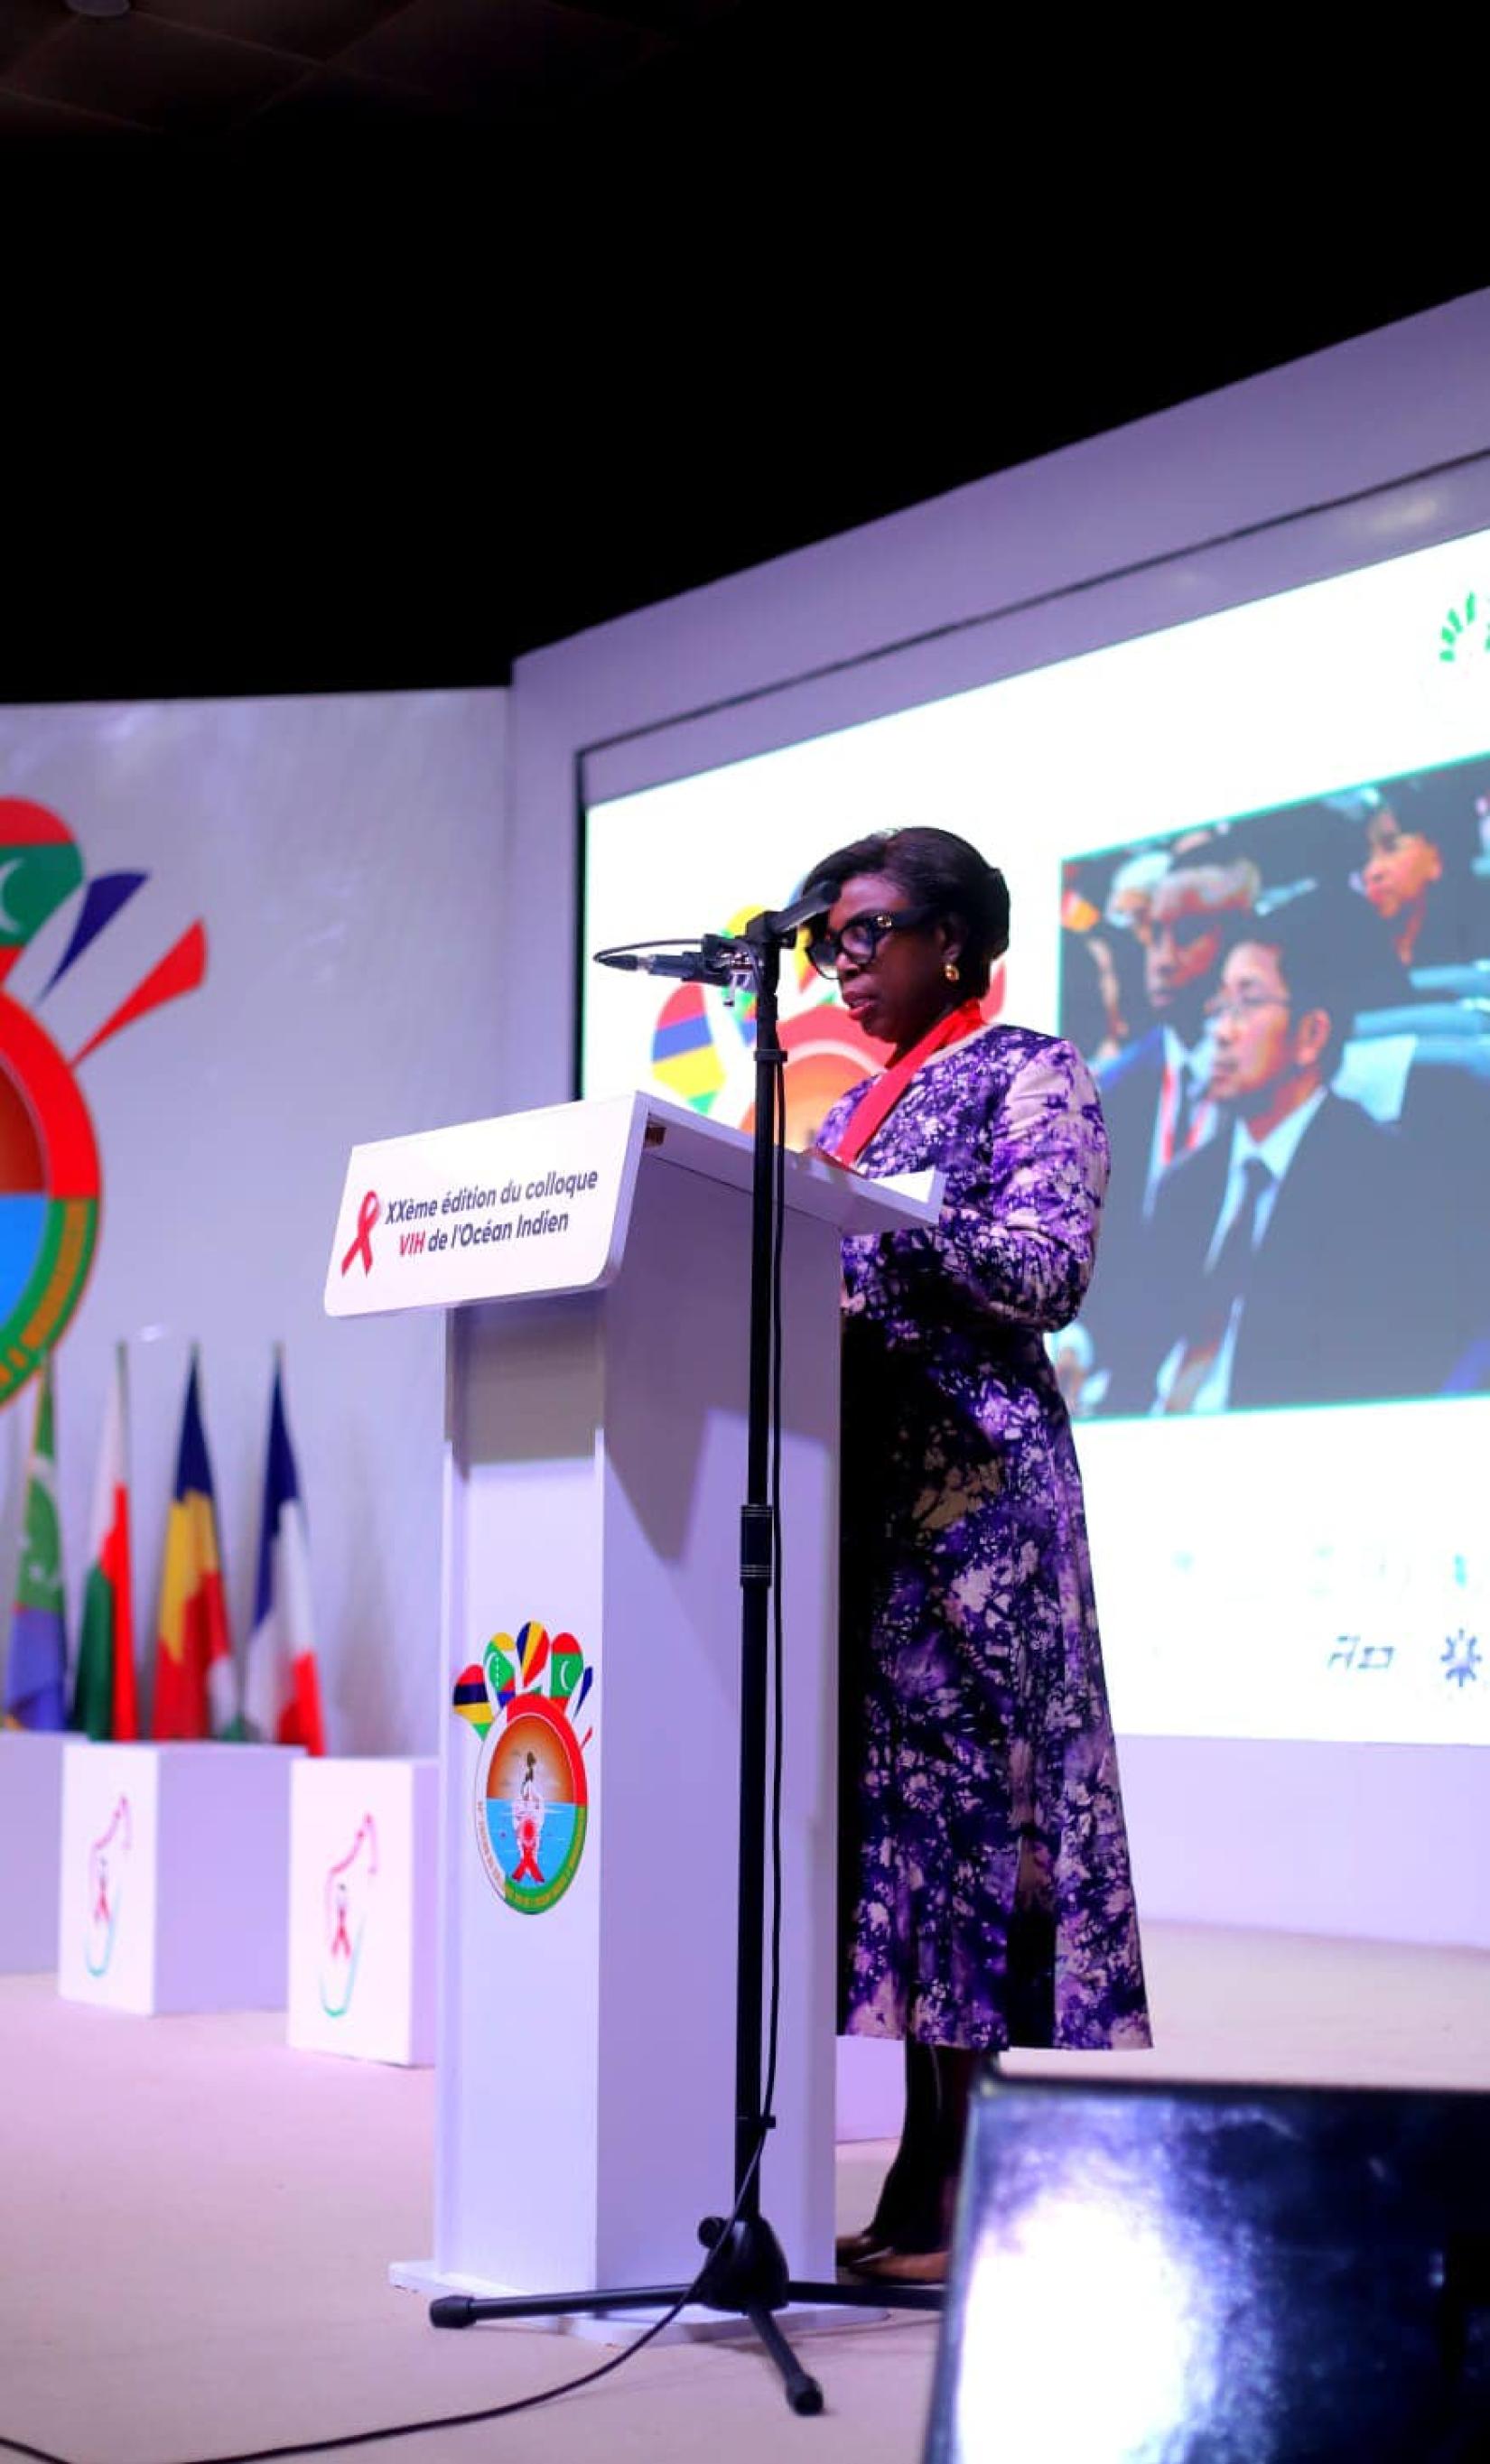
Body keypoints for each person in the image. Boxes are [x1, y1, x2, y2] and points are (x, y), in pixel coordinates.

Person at [798, 824, 1150, 2288]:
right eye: (827, 939)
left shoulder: (1032, 1068)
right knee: (899, 1840)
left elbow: (1046, 1266)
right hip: (860, 1507)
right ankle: (932, 2143)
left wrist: (896, 1216)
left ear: (953, 940)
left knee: (974, 1832)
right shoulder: (842, 1116)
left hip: (979, 1511)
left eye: (866, 932)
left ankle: (958, 2154)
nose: (838, 963)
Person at [1107, 894, 1429, 1415]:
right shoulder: (1184, 1187)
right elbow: (1134, 1362)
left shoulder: (1380, 1181)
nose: (1221, 1030)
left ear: (1311, 1035)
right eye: (1219, 1005)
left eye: (1247, 1003)